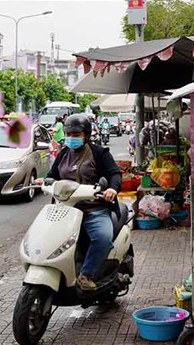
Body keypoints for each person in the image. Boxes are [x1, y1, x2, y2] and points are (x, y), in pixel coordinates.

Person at [42, 114, 121, 291]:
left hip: (94, 209)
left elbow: (114, 174)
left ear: (86, 135)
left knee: (102, 238)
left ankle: (86, 275)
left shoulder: (100, 153)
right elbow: (52, 175)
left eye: (76, 135)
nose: (71, 138)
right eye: (69, 135)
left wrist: (112, 189)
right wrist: (46, 181)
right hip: (65, 210)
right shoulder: (63, 154)